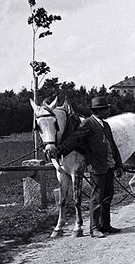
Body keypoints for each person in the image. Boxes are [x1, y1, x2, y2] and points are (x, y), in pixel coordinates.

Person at [46, 96, 123, 237]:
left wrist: (119, 165)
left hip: (109, 165)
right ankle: (94, 229)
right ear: (97, 110)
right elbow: (74, 140)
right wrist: (59, 150)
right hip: (97, 166)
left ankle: (106, 225)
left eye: (106, 109)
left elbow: (113, 146)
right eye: (104, 109)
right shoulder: (88, 123)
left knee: (107, 197)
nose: (107, 111)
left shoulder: (105, 125)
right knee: (97, 198)